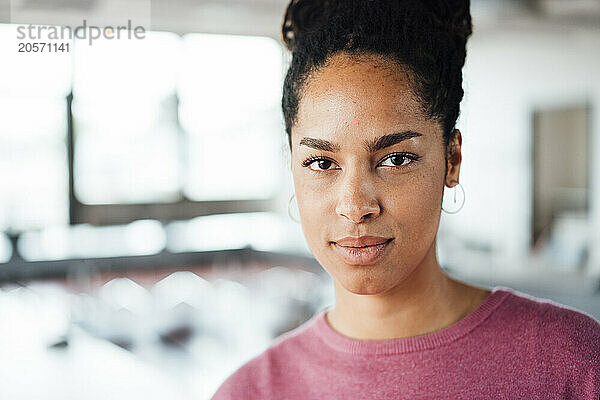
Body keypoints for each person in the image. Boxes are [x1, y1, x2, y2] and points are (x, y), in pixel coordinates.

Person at [212, 0, 600, 398]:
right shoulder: (251, 391)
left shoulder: (571, 362)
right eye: (321, 162)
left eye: (395, 159)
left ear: (452, 159)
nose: (356, 206)